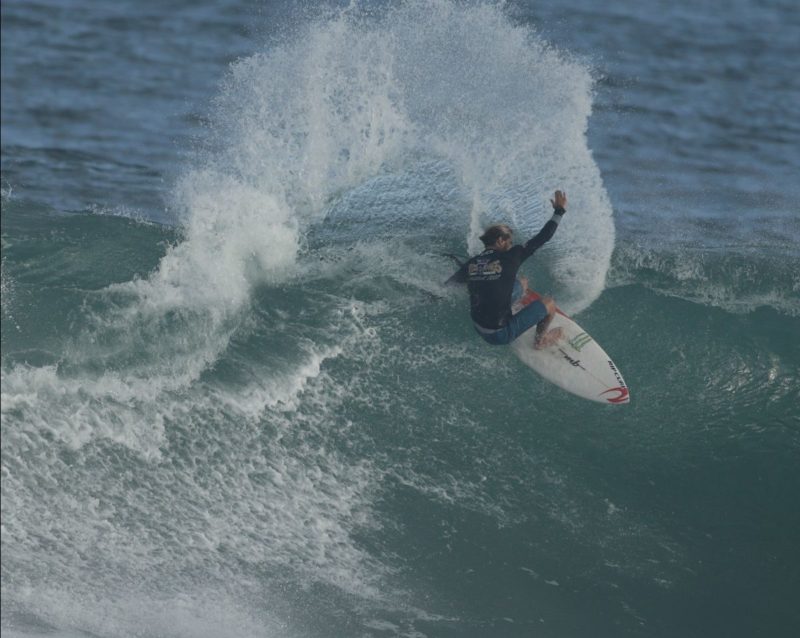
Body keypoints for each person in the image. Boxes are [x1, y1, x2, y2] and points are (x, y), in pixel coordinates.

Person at [449, 190, 567, 348]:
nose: (511, 246)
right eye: (509, 242)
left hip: (477, 325)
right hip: (499, 334)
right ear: (500, 241)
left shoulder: (472, 263)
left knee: (522, 283)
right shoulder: (512, 256)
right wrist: (559, 211)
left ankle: (509, 309)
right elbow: (543, 237)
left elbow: (450, 284)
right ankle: (541, 341)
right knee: (549, 303)